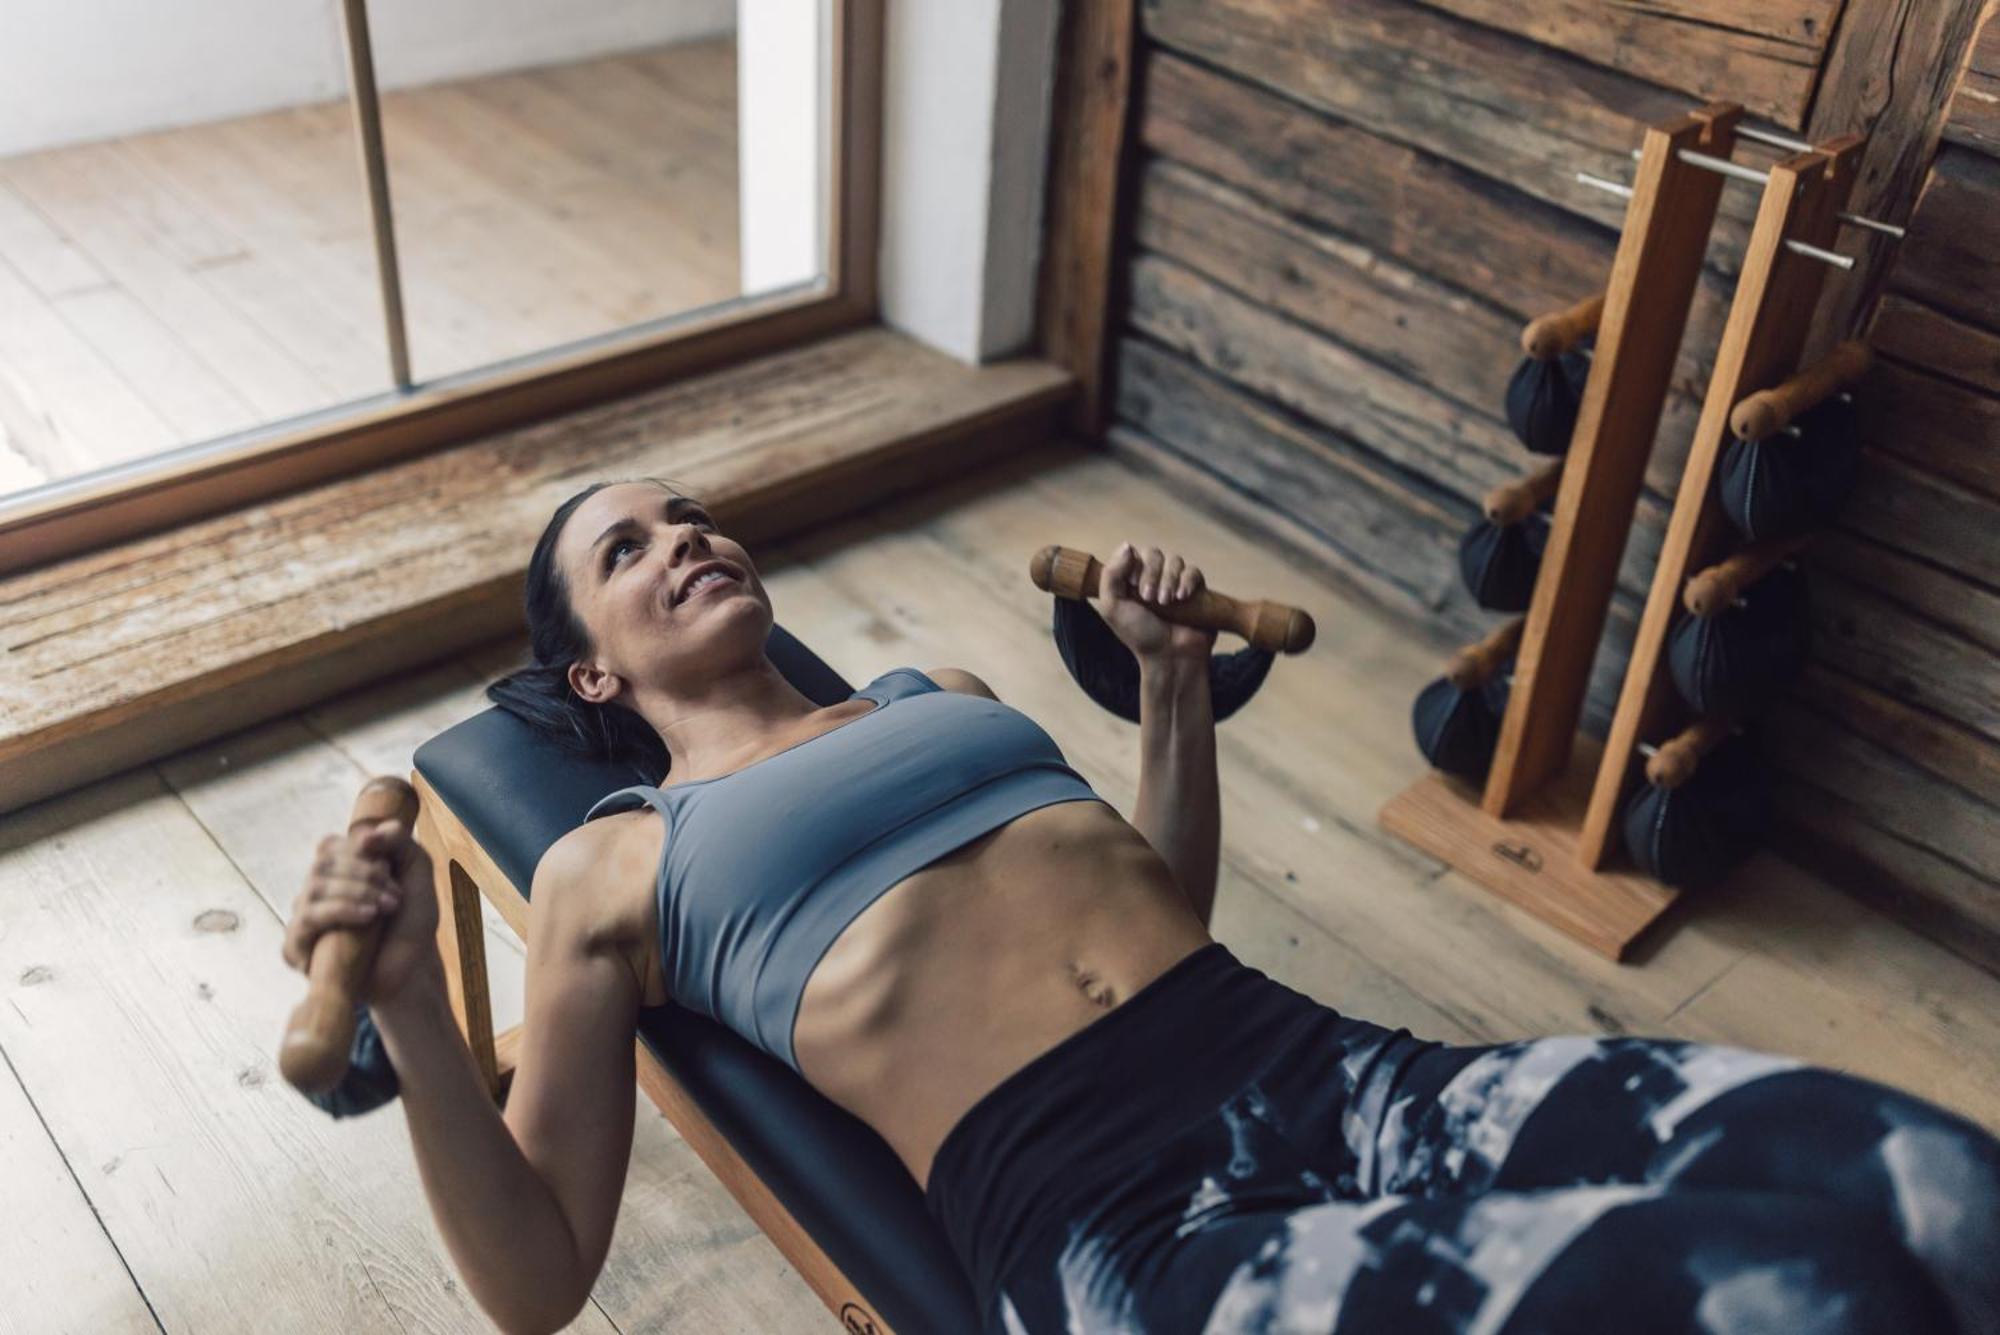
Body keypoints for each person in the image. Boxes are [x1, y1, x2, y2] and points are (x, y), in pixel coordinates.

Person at [284, 477, 2000, 1335]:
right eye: (631, 549)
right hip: (1122, 1226)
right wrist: (427, 1018)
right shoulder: (616, 860)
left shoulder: (931, 693)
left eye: (690, 515)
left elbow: (1151, 903)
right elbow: (537, 1278)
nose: (686, 539)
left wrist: (1173, 694)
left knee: (1947, 1198)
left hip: (1334, 1067)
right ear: (591, 666)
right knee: (1809, 1297)